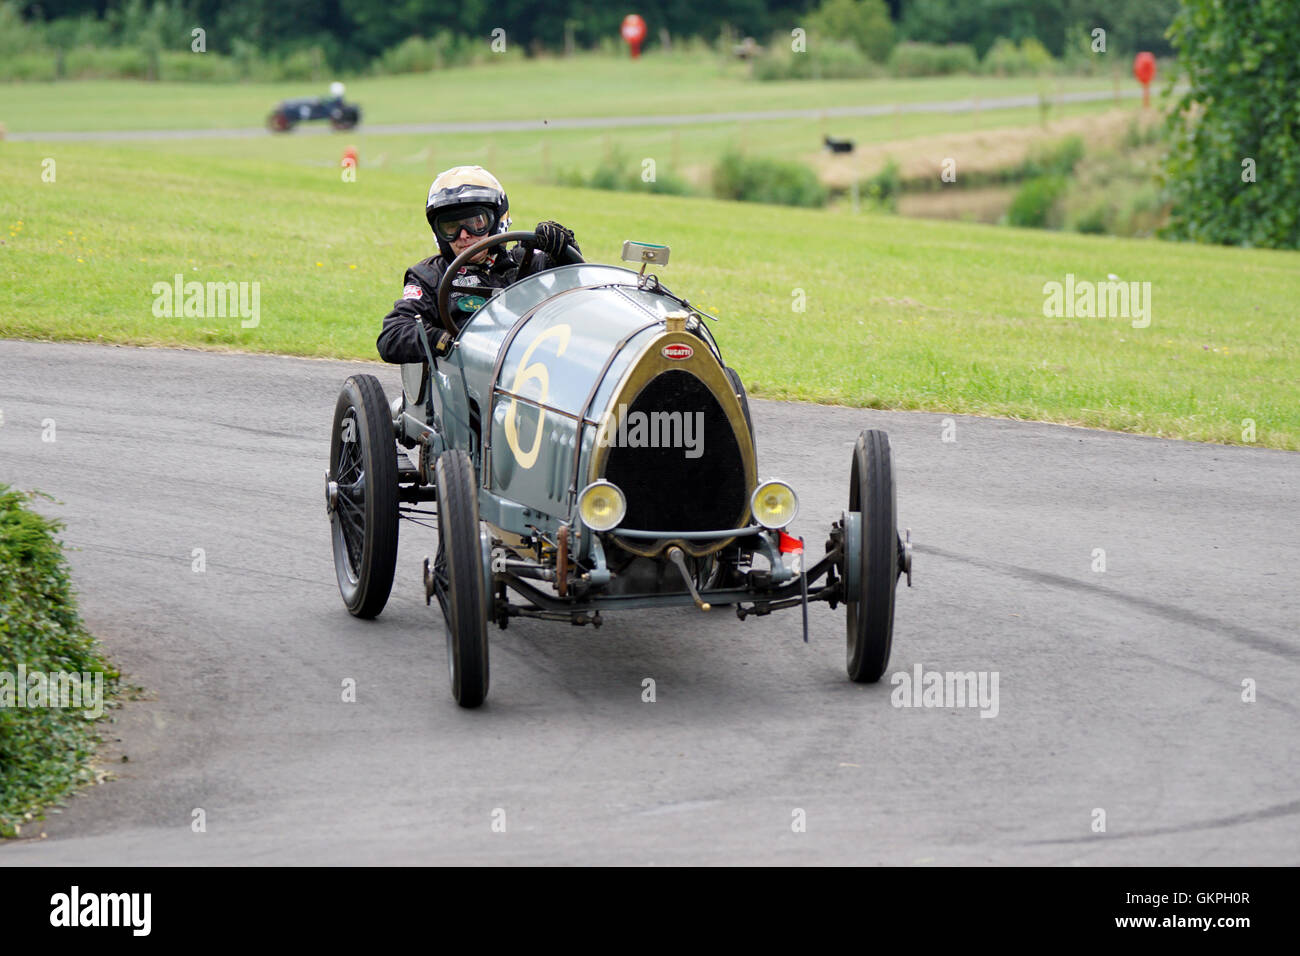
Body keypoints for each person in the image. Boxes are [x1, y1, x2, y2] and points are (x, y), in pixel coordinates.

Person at [376, 165, 578, 364]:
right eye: (450, 227)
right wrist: (445, 340)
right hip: (469, 380)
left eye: (476, 222)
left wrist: (562, 249)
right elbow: (392, 336)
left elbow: (577, 298)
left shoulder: (528, 261)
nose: (463, 235)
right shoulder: (429, 275)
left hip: (535, 365)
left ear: (497, 221)